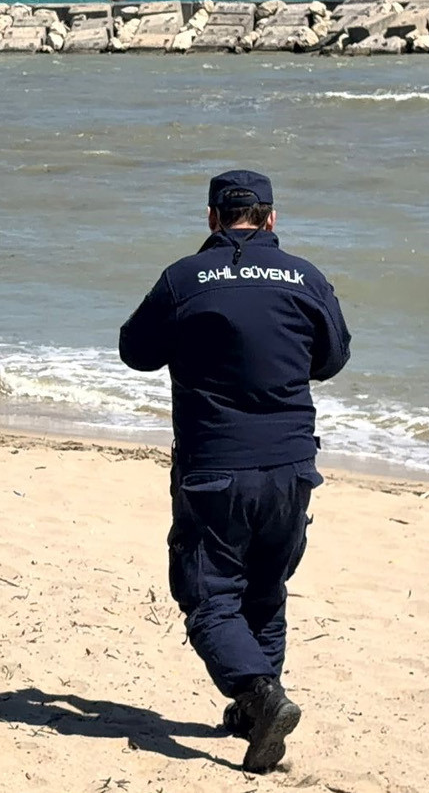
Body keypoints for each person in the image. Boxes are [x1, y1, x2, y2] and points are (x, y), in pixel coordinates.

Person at [118, 169, 350, 774]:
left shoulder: (185, 278)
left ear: (212, 218)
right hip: (291, 464)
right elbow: (332, 359)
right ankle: (256, 715)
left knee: (209, 596)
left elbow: (136, 351)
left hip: (214, 464)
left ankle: (258, 694)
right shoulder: (306, 276)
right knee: (266, 590)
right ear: (272, 218)